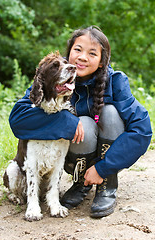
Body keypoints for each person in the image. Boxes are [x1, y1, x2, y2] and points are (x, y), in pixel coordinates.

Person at [9, 26, 152, 218]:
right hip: (73, 159)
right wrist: (66, 120)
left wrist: (102, 169)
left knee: (109, 113)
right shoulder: (55, 80)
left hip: (104, 163)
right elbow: (19, 118)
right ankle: (81, 183)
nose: (83, 57)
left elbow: (142, 130)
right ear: (69, 53)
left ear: (102, 62)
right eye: (78, 50)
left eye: (92, 53)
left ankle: (106, 185)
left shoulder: (116, 82)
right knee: (82, 123)